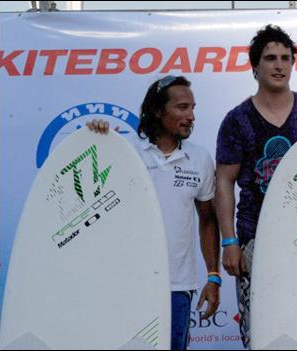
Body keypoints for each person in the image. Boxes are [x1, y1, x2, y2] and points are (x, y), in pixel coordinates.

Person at [215, 24, 297, 348]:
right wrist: (229, 241)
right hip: (257, 238)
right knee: (262, 331)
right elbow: (224, 182)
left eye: (286, 58)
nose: (279, 65)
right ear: (255, 67)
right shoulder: (237, 119)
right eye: (270, 58)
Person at [87, 75, 220, 351]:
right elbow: (91, 196)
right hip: (129, 282)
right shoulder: (126, 151)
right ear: (159, 111)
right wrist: (95, 139)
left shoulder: (200, 158)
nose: (191, 116)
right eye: (182, 108)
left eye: (193, 108)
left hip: (178, 286)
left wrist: (213, 275)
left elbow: (208, 220)